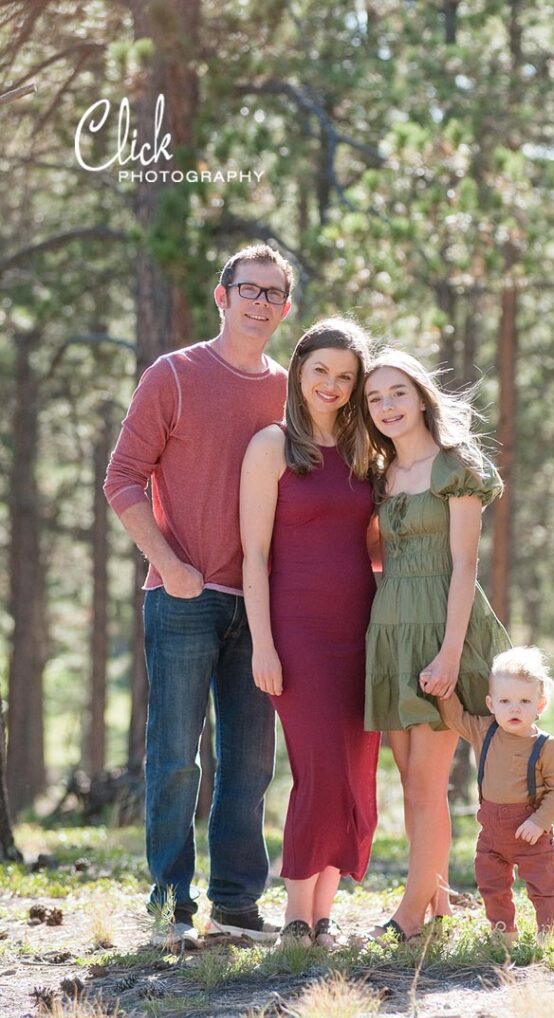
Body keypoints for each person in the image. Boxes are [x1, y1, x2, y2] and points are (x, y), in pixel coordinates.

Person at [104, 243, 293, 949]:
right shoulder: (175, 375)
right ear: (222, 297)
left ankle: (237, 906)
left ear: (285, 307)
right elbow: (122, 478)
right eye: (248, 289)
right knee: (175, 758)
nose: (259, 303)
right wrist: (167, 562)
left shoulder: (288, 389)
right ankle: (168, 907)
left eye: (273, 294)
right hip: (182, 596)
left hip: (261, 607)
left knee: (248, 762)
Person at [240, 317, 380, 949]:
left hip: (363, 629)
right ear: (298, 370)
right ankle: (295, 917)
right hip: (297, 632)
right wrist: (263, 644)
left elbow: (373, 546)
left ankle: (323, 918)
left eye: (346, 377)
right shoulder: (271, 446)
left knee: (353, 773)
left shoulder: (363, 453)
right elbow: (253, 556)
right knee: (319, 770)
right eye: (321, 370)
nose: (332, 384)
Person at [362, 349, 510, 942]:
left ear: (422, 396)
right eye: (374, 399)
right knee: (408, 780)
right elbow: (377, 551)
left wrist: (450, 654)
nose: (387, 406)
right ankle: (439, 900)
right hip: (392, 626)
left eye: (397, 392)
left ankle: (408, 919)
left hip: (444, 628)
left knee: (427, 782)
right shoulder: (378, 474)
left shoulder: (457, 467)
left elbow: (465, 563)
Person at [439, 646, 554, 946]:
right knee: (491, 883)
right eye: (505, 701)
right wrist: (442, 689)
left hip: (531, 832)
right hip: (491, 832)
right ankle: (503, 933)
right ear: (491, 703)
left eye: (524, 701)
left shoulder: (546, 746)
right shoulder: (484, 731)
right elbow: (454, 717)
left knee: (543, 885)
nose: (514, 709)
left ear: (540, 704)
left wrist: (539, 822)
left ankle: (548, 936)